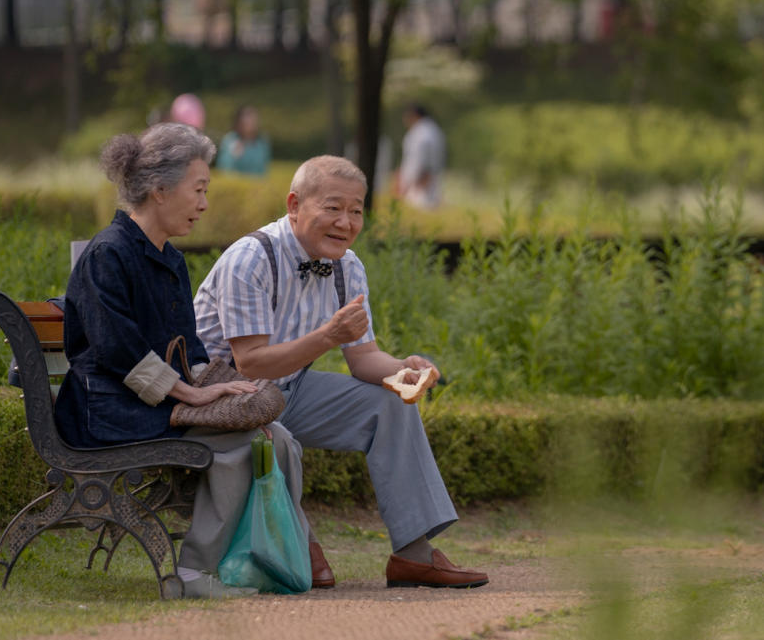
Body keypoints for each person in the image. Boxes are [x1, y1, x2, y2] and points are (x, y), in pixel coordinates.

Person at [194, 155, 489, 589]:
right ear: (295, 204)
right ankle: (298, 540)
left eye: (356, 210)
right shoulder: (251, 259)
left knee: (391, 404)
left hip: (287, 390)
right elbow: (250, 361)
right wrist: (328, 336)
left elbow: (363, 358)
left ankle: (413, 555)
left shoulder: (347, 267)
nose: (346, 222)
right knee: (312, 566)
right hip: (224, 399)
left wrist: (402, 369)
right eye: (332, 208)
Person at [53, 123, 311, 599]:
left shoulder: (169, 259)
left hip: (145, 404)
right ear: (159, 189)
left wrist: (222, 387)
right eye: (199, 190)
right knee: (236, 449)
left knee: (277, 437)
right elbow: (117, 350)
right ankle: (195, 573)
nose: (205, 204)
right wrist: (192, 394)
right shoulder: (107, 254)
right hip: (105, 411)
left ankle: (274, 559)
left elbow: (189, 349)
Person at [396, 103, 445, 210]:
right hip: (424, 181)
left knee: (420, 209)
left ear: (414, 115)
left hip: (420, 183)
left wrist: (413, 182)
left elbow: (422, 160)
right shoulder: (431, 130)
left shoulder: (422, 133)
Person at [216, 105, 271, 176]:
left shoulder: (262, 142)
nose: (250, 123)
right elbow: (224, 168)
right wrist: (234, 155)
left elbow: (264, 170)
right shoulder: (230, 140)